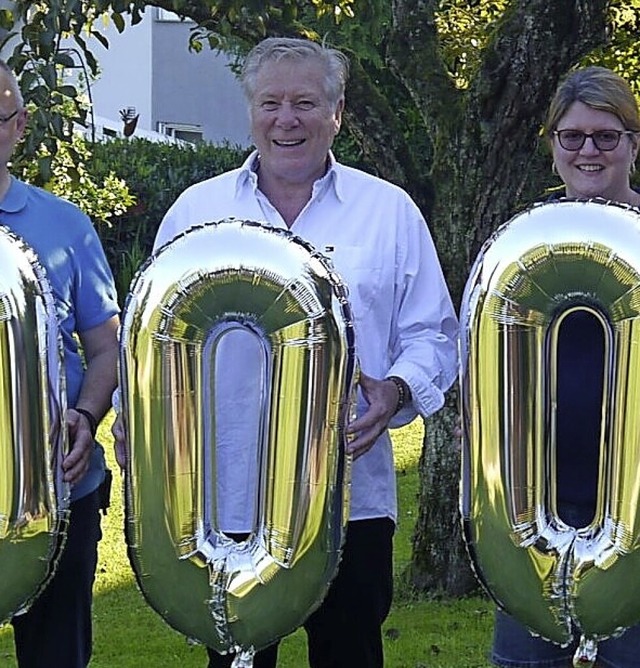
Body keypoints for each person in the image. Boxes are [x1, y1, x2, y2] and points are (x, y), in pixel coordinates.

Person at [113, 36, 458, 667]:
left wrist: (397, 389)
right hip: (223, 494)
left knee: (349, 654)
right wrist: (133, 424)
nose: (287, 119)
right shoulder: (198, 210)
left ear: (338, 112)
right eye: (270, 102)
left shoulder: (390, 213)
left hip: (351, 499)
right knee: (236, 657)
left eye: (306, 102)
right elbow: (149, 337)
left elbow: (434, 334)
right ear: (251, 112)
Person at [490, 66, 640, 668]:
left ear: (634, 143)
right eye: (571, 136)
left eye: (606, 136)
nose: (588, 150)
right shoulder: (523, 242)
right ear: (552, 144)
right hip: (538, 500)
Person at [0, 60, 120, 667]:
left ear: (18, 126)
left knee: (55, 656)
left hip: (59, 485)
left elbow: (106, 347)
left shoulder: (66, 227)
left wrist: (86, 413)